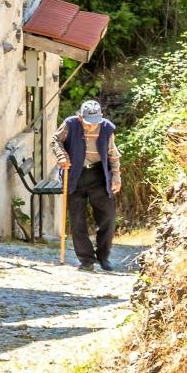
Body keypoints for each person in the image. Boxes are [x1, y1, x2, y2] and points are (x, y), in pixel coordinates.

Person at [58, 99, 120, 272]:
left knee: (108, 216)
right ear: (80, 117)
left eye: (95, 123)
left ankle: (103, 256)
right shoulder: (70, 124)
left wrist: (116, 177)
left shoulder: (107, 128)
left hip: (98, 175)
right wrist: (62, 155)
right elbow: (56, 141)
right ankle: (86, 260)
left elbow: (113, 154)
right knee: (77, 220)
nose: (91, 127)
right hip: (74, 175)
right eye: (87, 123)